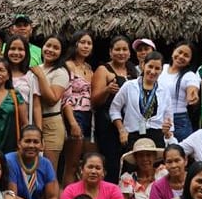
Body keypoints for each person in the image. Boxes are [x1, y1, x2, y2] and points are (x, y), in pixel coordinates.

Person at [93, 36, 138, 183]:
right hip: (108, 123)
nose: (121, 52)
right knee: (112, 162)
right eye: (117, 49)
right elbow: (94, 100)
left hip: (130, 123)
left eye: (124, 49)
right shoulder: (103, 70)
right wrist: (107, 90)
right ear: (110, 52)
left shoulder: (133, 71)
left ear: (130, 53)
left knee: (130, 161)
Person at [110, 51, 172, 154]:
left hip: (156, 136)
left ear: (161, 70)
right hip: (133, 135)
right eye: (150, 66)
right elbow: (114, 109)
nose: (153, 71)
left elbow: (168, 116)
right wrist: (121, 130)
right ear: (143, 65)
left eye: (157, 68)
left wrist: (167, 129)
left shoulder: (164, 90)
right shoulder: (129, 86)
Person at [5, 126, 60, 199]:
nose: (31, 145)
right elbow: (12, 196)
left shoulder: (46, 164)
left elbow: (51, 197)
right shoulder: (9, 160)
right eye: (27, 141)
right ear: (19, 143)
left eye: (36, 142)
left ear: (42, 145)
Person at [60, 31, 97, 184]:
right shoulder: (68, 65)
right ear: (75, 44)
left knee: (87, 162)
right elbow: (65, 97)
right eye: (82, 42)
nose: (86, 46)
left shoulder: (89, 68)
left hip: (91, 117)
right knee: (72, 163)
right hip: (75, 114)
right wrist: (73, 123)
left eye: (89, 43)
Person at [33, 35, 71, 169]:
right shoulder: (38, 68)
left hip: (51, 125)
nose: (50, 50)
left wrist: (40, 75)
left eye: (56, 48)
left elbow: (52, 99)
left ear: (62, 52)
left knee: (47, 171)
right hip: (33, 122)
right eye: (48, 45)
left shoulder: (61, 72)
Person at [160, 41, 200, 142]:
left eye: (186, 55)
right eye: (180, 52)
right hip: (158, 118)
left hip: (179, 121)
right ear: (173, 51)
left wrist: (193, 96)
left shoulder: (190, 76)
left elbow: (192, 90)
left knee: (180, 154)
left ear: (190, 61)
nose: (181, 56)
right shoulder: (161, 68)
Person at [5, 34, 44, 135]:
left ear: (26, 53)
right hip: (3, 126)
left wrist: (39, 132)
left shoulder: (30, 76)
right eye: (12, 49)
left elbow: (36, 106)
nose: (16, 52)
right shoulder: (0, 74)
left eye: (20, 49)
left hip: (24, 126)